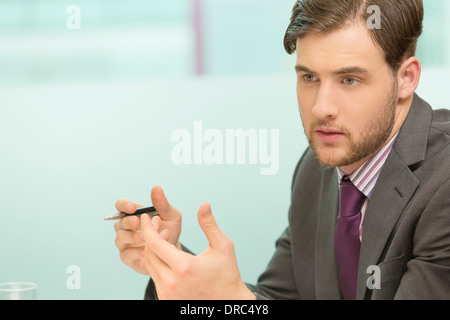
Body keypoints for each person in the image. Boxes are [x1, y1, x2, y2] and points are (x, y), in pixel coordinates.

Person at [113, 0, 450, 300]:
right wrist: (176, 265)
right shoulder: (317, 168)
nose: (321, 108)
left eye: (349, 80)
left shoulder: (444, 184)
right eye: (309, 78)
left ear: (406, 78)